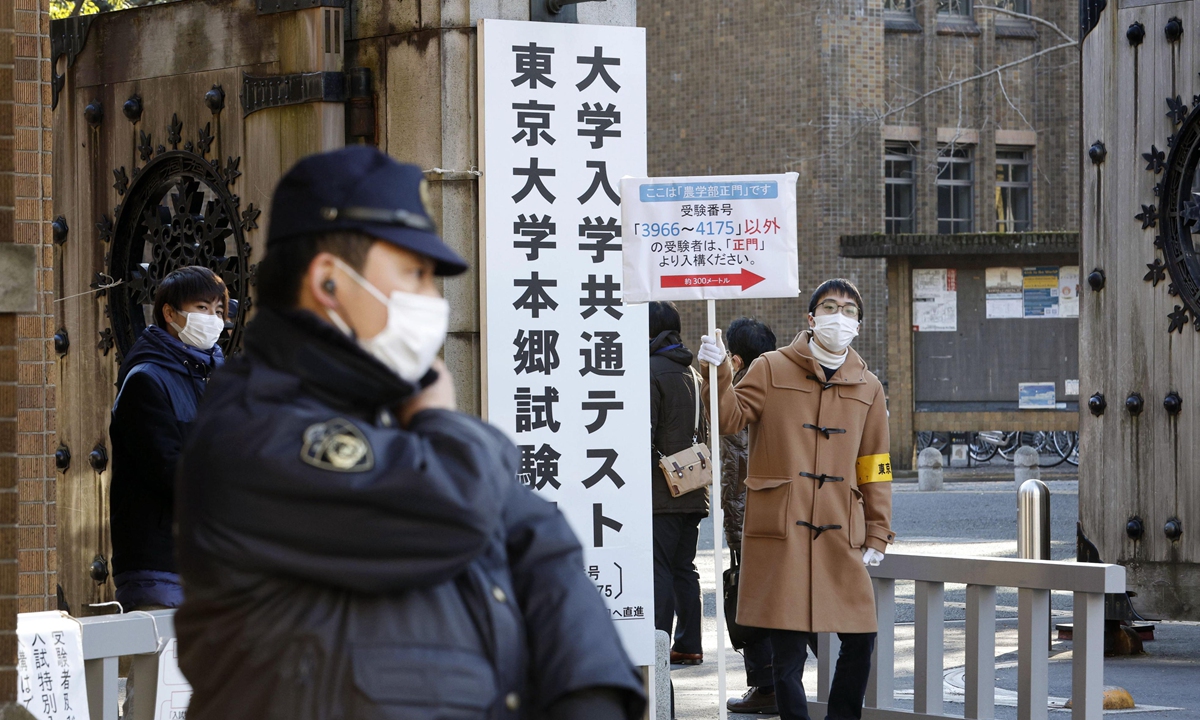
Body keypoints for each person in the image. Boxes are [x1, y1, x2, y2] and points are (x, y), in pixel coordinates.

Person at [173, 145, 645, 720]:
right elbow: (459, 505)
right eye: (415, 274)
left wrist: (590, 698)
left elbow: (540, 538)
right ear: (329, 281)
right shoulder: (255, 430)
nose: (432, 301)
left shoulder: (392, 410)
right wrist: (440, 419)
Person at [698, 279, 895, 720]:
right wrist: (718, 374)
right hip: (782, 531)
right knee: (786, 655)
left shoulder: (868, 386)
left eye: (848, 310)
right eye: (829, 307)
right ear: (811, 318)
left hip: (839, 529)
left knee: (862, 636)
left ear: (858, 325)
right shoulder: (770, 367)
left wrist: (879, 530)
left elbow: (875, 464)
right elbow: (729, 419)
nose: (838, 317)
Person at [109, 265, 227, 611]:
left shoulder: (214, 378)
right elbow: (168, 468)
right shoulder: (146, 379)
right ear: (169, 313)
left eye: (219, 310)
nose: (213, 319)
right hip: (161, 563)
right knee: (161, 664)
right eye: (202, 308)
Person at [719, 318, 779, 715]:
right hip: (774, 517)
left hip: (749, 519)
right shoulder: (781, 386)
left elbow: (738, 465)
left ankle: (767, 687)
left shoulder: (742, 395)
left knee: (751, 603)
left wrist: (738, 528)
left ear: (736, 359)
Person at [648, 300, 708, 666]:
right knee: (685, 567)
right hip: (693, 485)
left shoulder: (650, 370)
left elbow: (645, 434)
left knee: (660, 567)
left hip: (662, 489)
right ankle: (688, 643)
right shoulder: (693, 373)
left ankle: (657, 644)